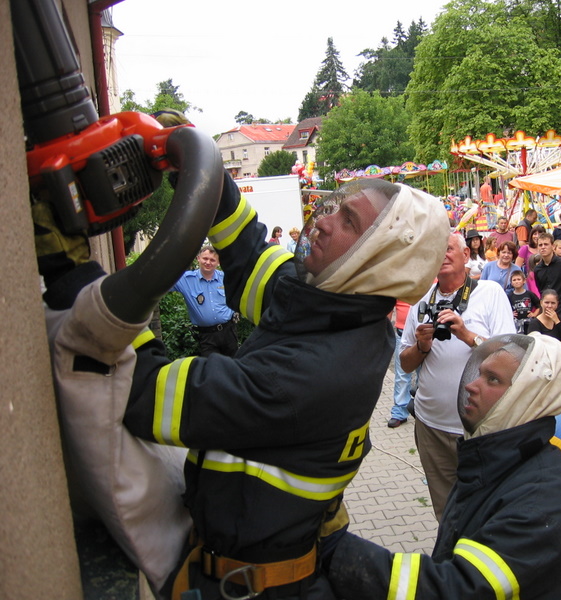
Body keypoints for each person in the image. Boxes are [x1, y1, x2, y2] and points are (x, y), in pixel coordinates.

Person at [125, 177, 451, 599]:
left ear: (380, 259)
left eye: (349, 221)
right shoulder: (333, 300)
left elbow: (144, 393)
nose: (324, 221)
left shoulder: (317, 371)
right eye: (336, 208)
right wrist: (207, 179)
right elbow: (250, 258)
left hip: (253, 588)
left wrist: (92, 292)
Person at [325, 334, 561, 599]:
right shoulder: (499, 461)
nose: (472, 385)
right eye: (479, 373)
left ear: (529, 396)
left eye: (492, 379)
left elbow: (456, 589)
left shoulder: (542, 501)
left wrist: (333, 550)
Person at [400, 233, 515, 520]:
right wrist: (421, 346)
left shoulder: (489, 293)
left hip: (480, 428)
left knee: (485, 509)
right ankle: (450, 548)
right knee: (447, 511)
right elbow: (404, 364)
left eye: (448, 248)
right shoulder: (421, 300)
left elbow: (510, 358)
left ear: (466, 255)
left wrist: (467, 335)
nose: (442, 255)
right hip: (431, 426)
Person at [171, 246, 238, 357]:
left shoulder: (226, 278)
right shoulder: (186, 280)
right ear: (198, 258)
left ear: (218, 262)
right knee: (212, 366)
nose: (208, 262)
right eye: (205, 258)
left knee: (233, 364)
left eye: (212, 260)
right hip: (207, 336)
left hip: (228, 332)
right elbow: (161, 286)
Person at [388, 300, 416, 428]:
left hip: (426, 334)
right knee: (402, 375)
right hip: (402, 334)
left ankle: (421, 411)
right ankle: (399, 412)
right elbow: (389, 305)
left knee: (425, 375)